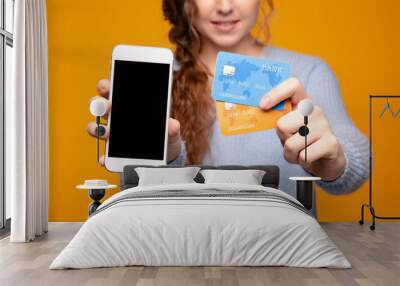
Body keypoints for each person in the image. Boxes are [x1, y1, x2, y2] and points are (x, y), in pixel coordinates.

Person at [86, 0, 369, 217]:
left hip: (284, 258)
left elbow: (356, 159)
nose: (224, 6)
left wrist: (334, 160)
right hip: (182, 255)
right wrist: (167, 156)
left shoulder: (306, 72)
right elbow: (135, 191)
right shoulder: (155, 80)